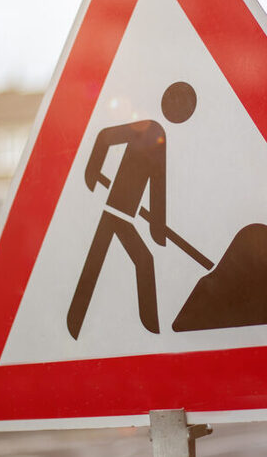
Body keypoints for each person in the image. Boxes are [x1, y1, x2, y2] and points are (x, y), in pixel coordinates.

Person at [66, 82, 197, 339]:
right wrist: (92, 171)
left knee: (114, 262)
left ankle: (75, 322)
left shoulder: (160, 138)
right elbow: (105, 137)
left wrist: (157, 227)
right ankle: (149, 330)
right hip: (115, 211)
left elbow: (158, 186)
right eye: (182, 108)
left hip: (123, 214)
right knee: (132, 262)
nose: (183, 114)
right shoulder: (148, 129)